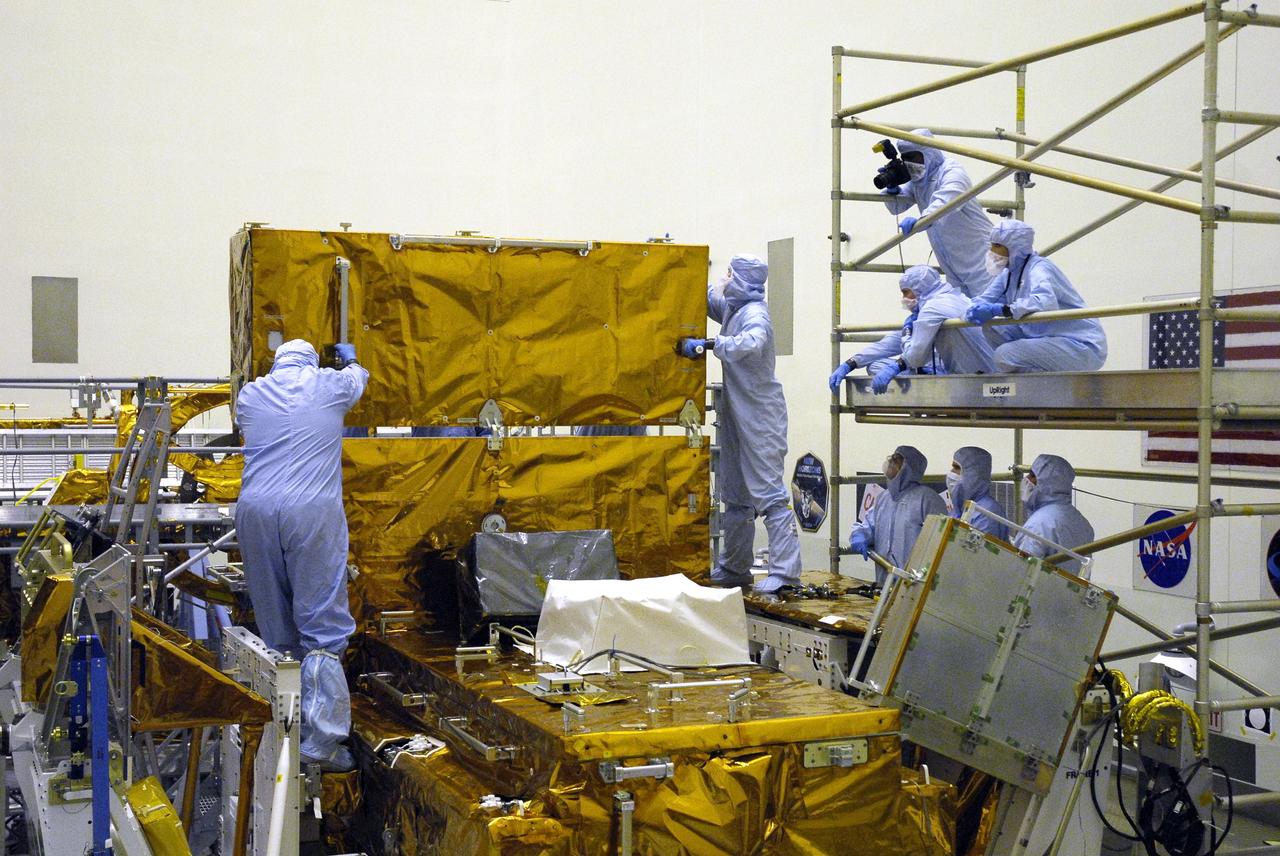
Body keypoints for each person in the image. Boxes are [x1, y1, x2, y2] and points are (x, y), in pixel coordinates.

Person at [234, 339, 368, 771]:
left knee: (277, 628)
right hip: (310, 512)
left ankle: (281, 730)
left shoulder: (251, 395)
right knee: (322, 626)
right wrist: (349, 360)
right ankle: (321, 743)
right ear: (312, 362)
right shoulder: (331, 385)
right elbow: (358, 380)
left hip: (254, 512)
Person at [678, 254, 801, 594]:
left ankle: (786, 573)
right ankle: (734, 567)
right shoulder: (733, 307)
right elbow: (707, 296)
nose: (725, 278)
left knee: (769, 495)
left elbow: (752, 342)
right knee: (735, 494)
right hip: (737, 412)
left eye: (729, 273)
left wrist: (710, 344)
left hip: (762, 416)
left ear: (743, 280)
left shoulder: (755, 315)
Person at [964, 220, 1107, 373]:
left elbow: (1045, 302)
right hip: (1047, 340)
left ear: (1014, 247)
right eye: (991, 245)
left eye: (997, 246)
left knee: (1004, 355)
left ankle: (1036, 387)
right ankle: (1032, 379)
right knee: (991, 326)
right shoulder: (1009, 273)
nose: (991, 251)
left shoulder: (1040, 268)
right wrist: (968, 309)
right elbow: (985, 299)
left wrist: (1002, 309)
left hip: (1080, 345)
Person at [839, 265, 997, 394]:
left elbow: (915, 356)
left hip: (974, 377)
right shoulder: (955, 299)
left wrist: (905, 345)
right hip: (984, 368)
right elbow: (889, 343)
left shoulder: (933, 308)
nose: (904, 299)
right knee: (876, 365)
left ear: (919, 288)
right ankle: (922, 372)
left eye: (905, 292)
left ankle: (920, 374)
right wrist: (852, 363)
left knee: (886, 367)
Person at [881, 129, 994, 298]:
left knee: (994, 311)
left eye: (913, 157)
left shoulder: (951, 171)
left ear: (928, 153)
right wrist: (892, 189)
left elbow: (946, 202)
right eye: (905, 159)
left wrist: (922, 220)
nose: (909, 164)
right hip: (952, 263)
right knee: (965, 317)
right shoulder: (920, 180)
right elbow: (896, 208)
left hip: (981, 259)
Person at [848, 445, 947, 585]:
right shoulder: (884, 498)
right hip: (884, 581)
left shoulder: (928, 500)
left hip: (915, 584)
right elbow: (868, 526)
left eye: (897, 460)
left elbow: (941, 542)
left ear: (909, 469)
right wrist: (860, 536)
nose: (891, 463)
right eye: (892, 459)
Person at [1014, 454, 1094, 574]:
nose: (1027, 479)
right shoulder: (1083, 523)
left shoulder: (1038, 524)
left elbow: (1021, 573)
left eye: (1032, 475)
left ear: (1045, 482)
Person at [947, 446, 1008, 541]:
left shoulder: (986, 512)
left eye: (957, 467)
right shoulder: (960, 507)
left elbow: (977, 553)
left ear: (973, 473)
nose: (951, 472)